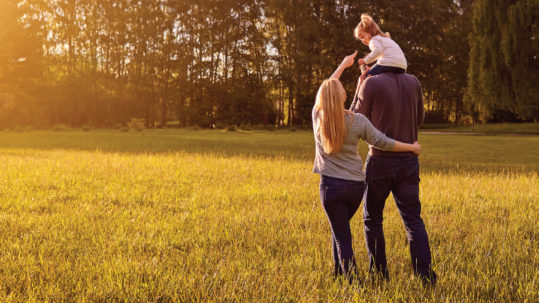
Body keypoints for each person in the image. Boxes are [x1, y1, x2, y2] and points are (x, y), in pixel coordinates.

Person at [312, 50, 422, 284]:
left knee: (342, 238)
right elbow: (383, 142)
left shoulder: (318, 116)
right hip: (354, 187)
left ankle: (354, 284)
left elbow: (326, 93)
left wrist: (342, 65)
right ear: (343, 96)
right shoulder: (357, 121)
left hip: (331, 187)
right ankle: (338, 274)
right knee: (339, 230)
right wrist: (410, 147)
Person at [352, 56, 438, 285]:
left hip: (380, 161)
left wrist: (362, 82)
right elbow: (419, 118)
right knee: (413, 220)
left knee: (372, 219)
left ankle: (380, 275)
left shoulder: (371, 83)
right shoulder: (414, 81)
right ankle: (425, 277)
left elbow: (355, 119)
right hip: (409, 161)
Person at [354, 14, 407, 80]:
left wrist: (365, 61)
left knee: (366, 77)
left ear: (368, 31)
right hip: (402, 66)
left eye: (362, 37)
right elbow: (380, 56)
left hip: (389, 64)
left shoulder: (373, 40)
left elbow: (378, 51)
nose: (362, 41)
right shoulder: (384, 39)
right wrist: (372, 67)